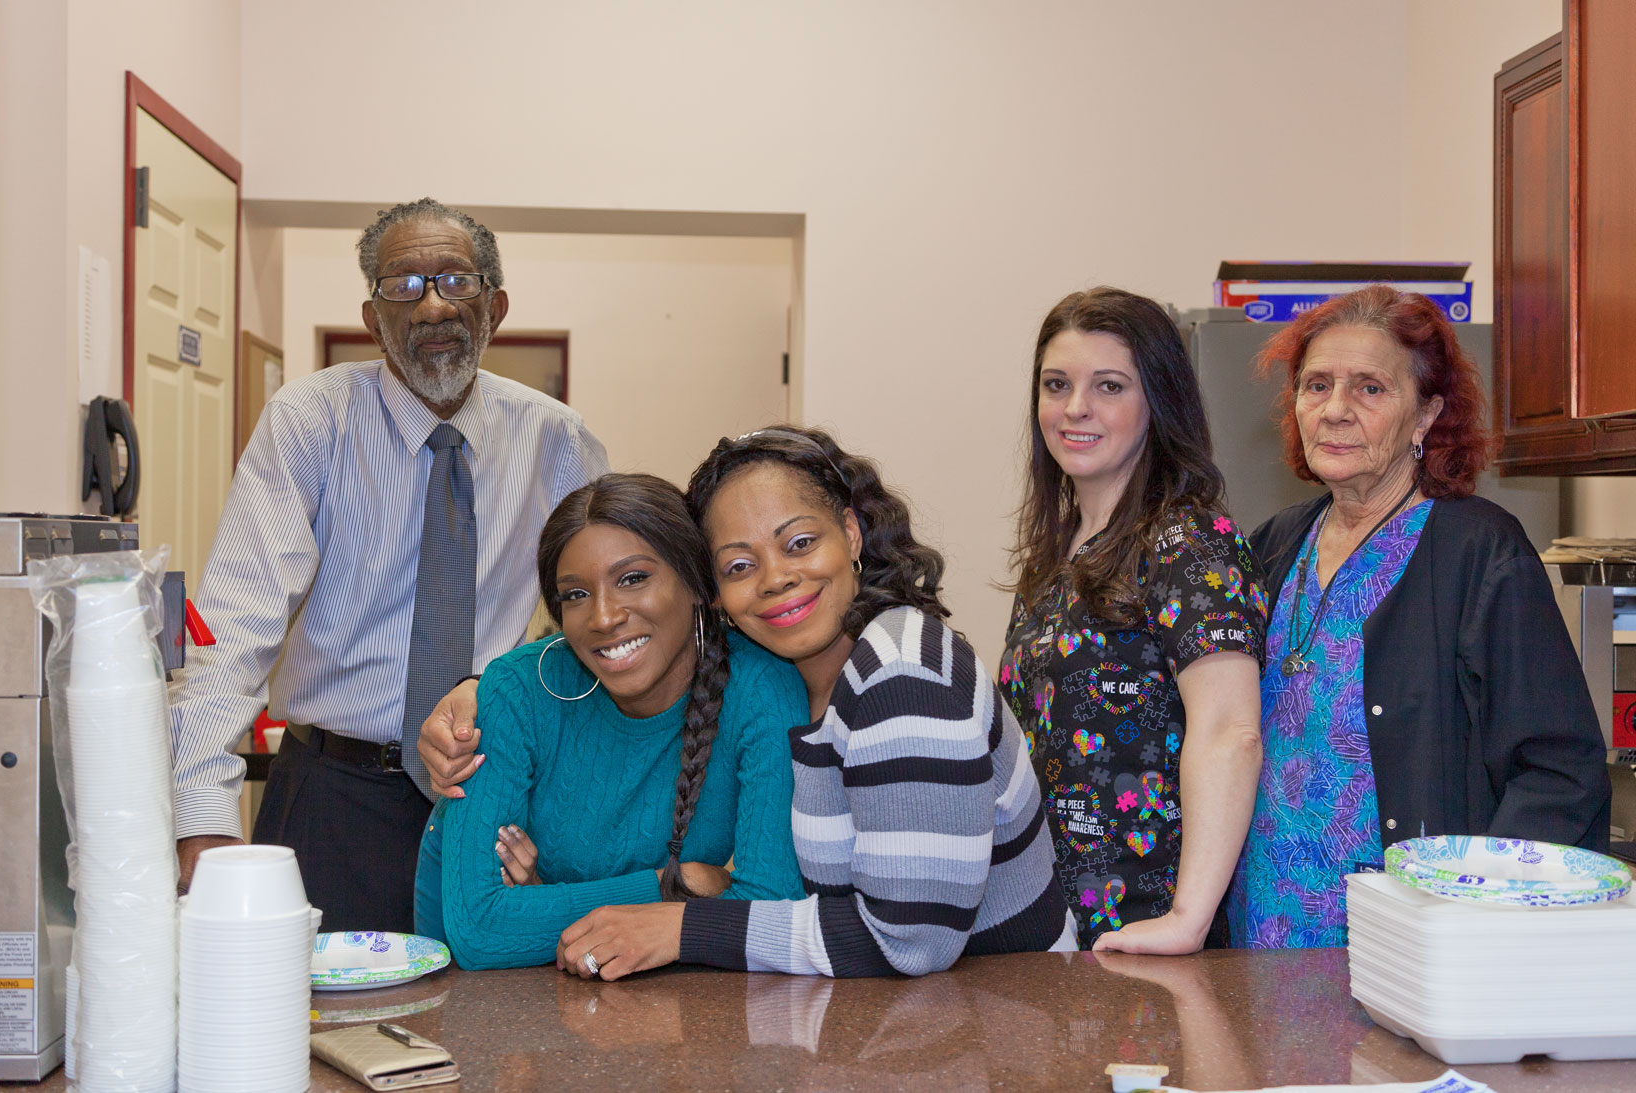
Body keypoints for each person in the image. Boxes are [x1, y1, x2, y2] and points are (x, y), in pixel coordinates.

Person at [167, 198, 608, 933]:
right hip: (332, 799)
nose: (433, 305)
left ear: (495, 307)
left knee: (500, 1002)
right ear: (373, 320)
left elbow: (596, 623)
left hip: (494, 793)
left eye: (456, 281)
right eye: (403, 285)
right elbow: (233, 624)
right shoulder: (308, 422)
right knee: (309, 1001)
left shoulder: (557, 440)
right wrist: (202, 816)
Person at [551, 426, 1076, 979]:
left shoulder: (901, 672)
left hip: (1015, 1010)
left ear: (850, 534)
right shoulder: (784, 684)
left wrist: (681, 928)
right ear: (715, 593)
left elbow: (912, 941)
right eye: (739, 566)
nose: (776, 578)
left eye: (799, 543)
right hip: (894, 1014)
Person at [1230, 285, 1611, 949]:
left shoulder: (1480, 551)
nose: (1335, 409)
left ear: (1426, 415)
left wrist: (1473, 925)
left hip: (1407, 954)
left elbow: (1559, 770)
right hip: (1256, 941)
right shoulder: (1273, 544)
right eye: (1317, 385)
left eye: (1370, 388)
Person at [417, 474, 808, 968]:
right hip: (477, 993)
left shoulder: (762, 687)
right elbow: (480, 928)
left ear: (698, 584)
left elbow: (771, 907)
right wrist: (675, 886)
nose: (603, 617)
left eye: (632, 578)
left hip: (651, 993)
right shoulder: (517, 689)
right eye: (576, 594)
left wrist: (548, 904)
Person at [999, 287, 1266, 955]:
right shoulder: (1056, 556)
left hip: (1147, 932)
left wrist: (1187, 920)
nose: (1075, 408)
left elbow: (1230, 731)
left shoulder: (1189, 542)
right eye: (1056, 385)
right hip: (1055, 933)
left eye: (1109, 386)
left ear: (1158, 402)